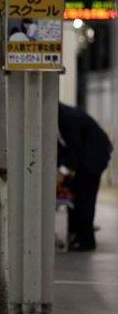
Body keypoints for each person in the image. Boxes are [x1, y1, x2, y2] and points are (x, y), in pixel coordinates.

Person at [57, 102, 113, 251]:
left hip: (93, 158)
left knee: (85, 199)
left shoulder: (68, 118)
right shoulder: (60, 117)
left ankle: (86, 241)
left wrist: (62, 172)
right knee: (76, 196)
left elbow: (75, 148)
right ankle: (76, 235)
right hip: (85, 157)